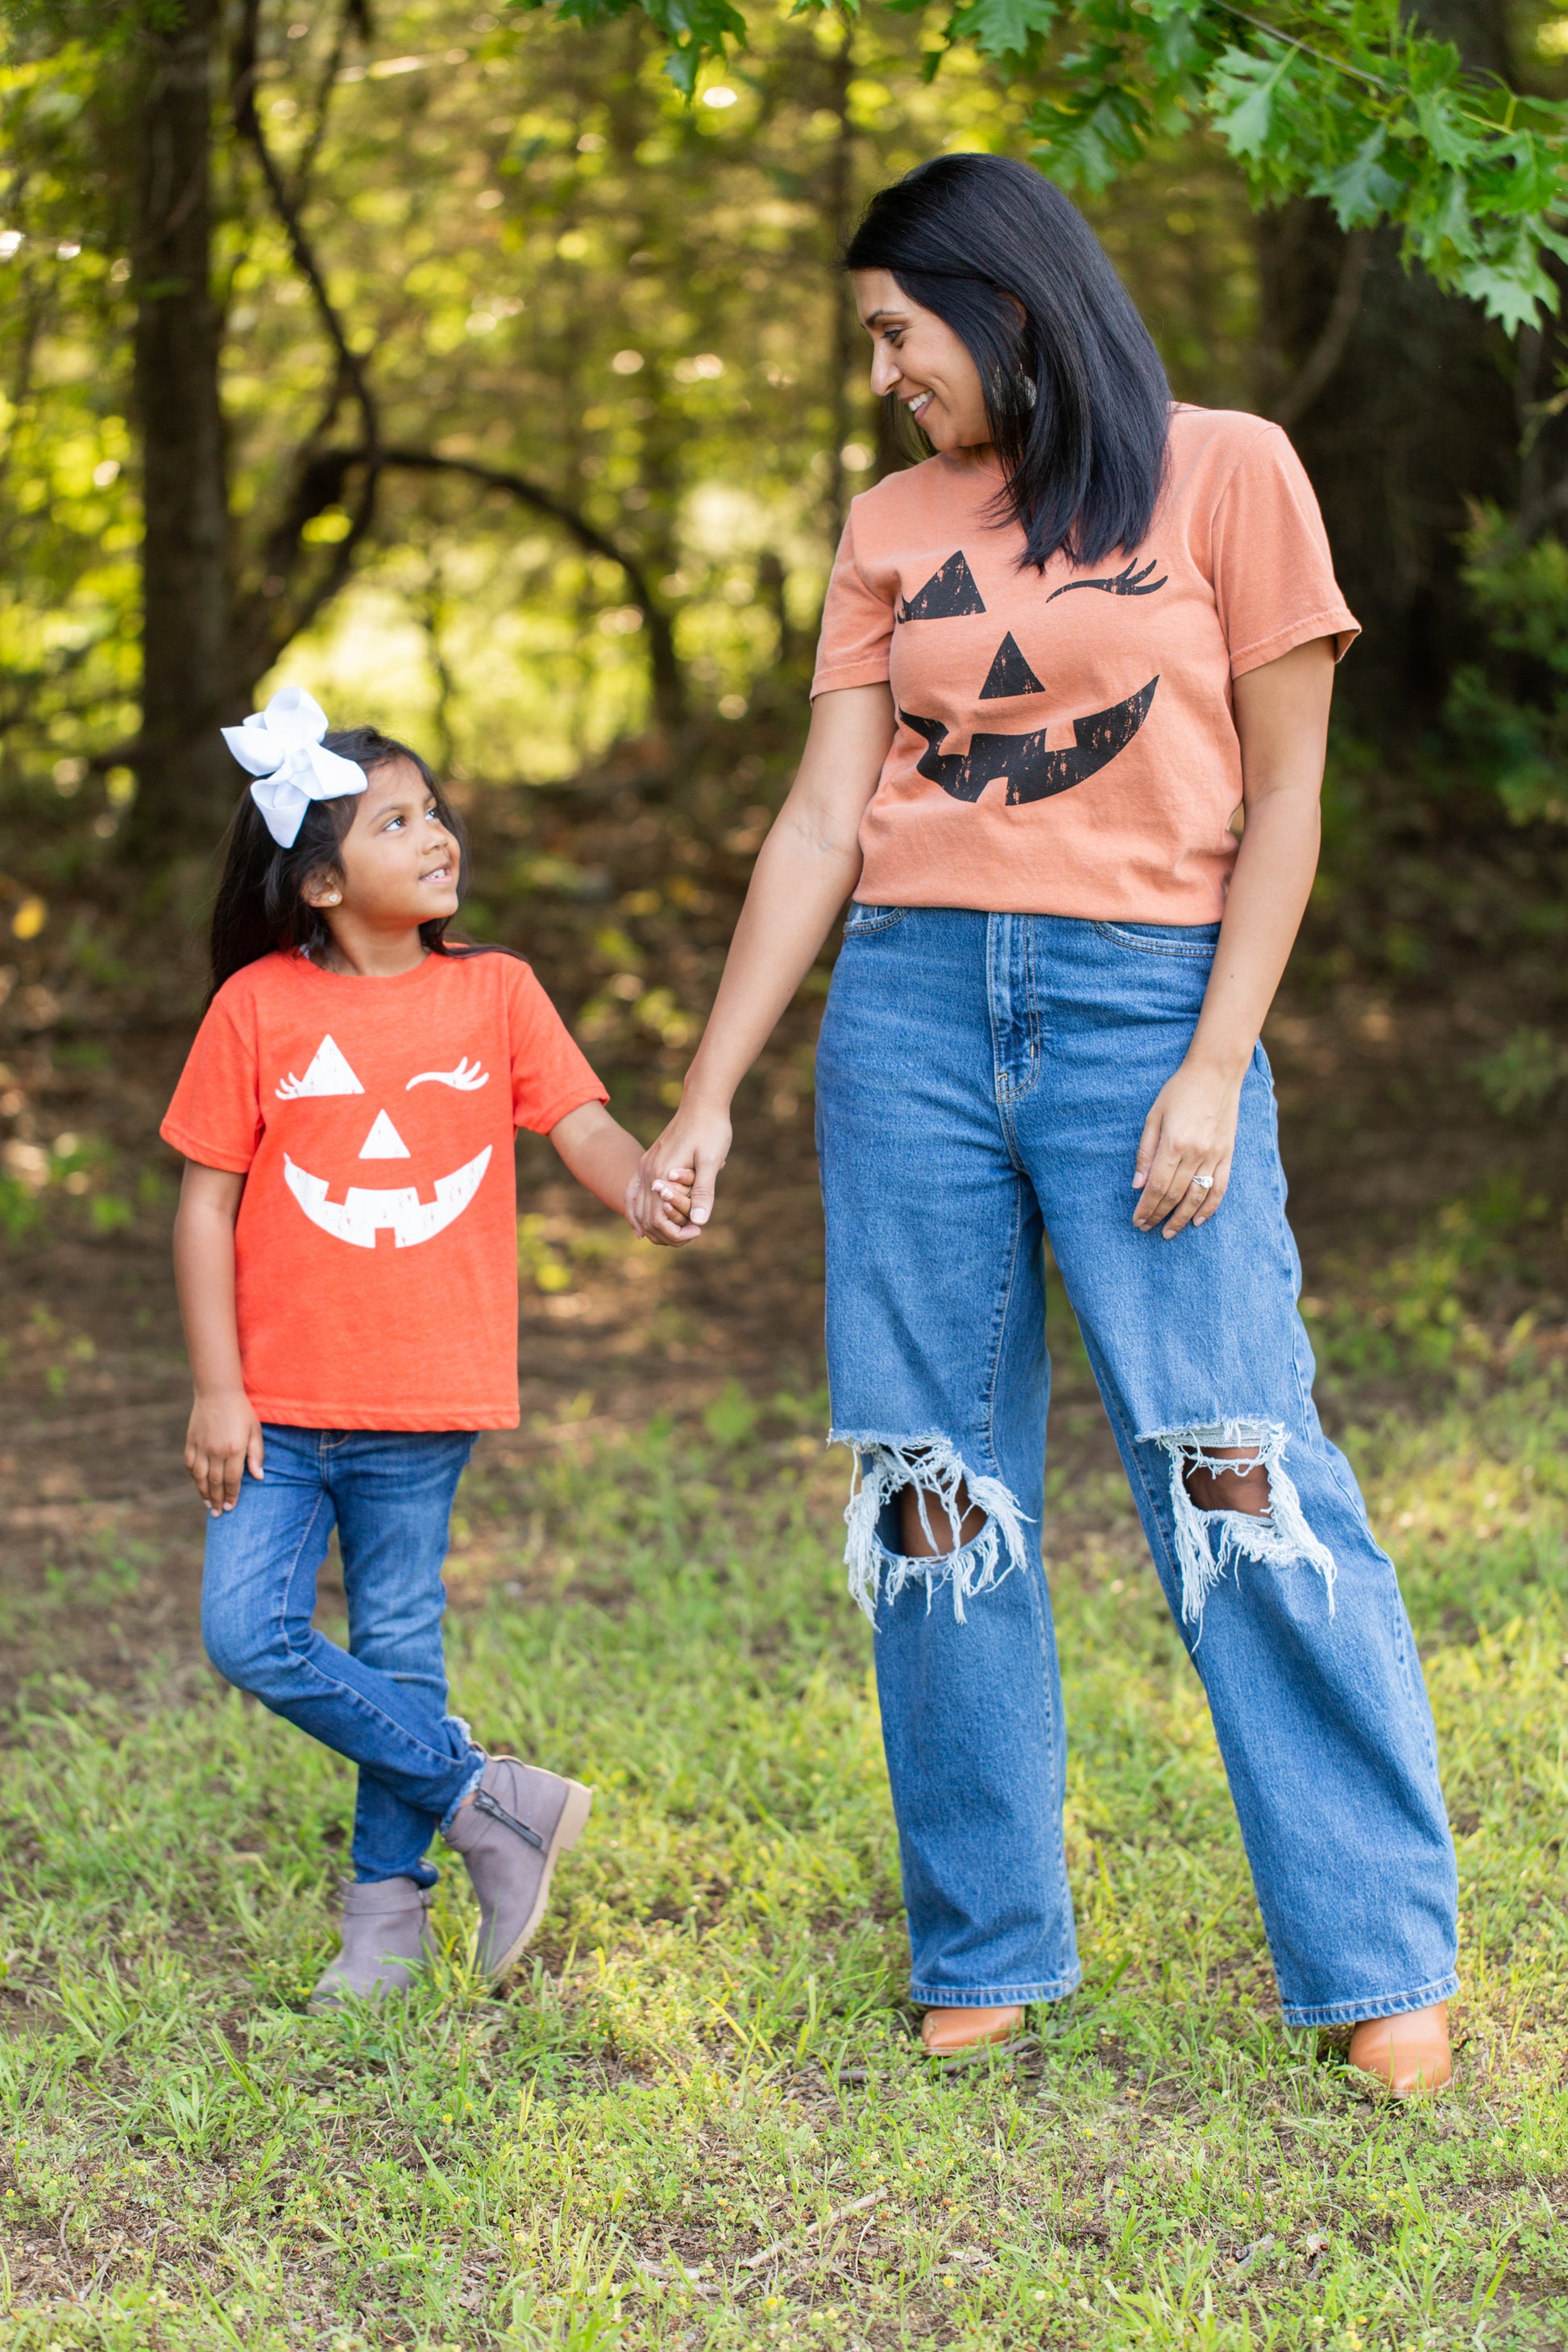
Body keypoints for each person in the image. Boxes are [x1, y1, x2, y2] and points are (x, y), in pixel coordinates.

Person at [631, 155, 1458, 2095]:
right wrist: (710, 1087)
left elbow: (1286, 801)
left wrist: (1212, 1062)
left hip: (1147, 1004)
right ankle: (986, 1938)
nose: (881, 376)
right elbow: (822, 820)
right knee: (930, 1481)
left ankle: (1372, 1953)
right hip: (907, 1010)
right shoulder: (887, 524)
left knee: (1236, 1460)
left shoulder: (1227, 470)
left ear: (999, 304)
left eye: (895, 334)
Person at [163, 687, 692, 2010]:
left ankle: (385, 1922)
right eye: (395, 822)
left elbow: (578, 1123)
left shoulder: (494, 993)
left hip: (424, 1389)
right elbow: (205, 1206)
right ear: (321, 880)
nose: (437, 833)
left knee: (399, 1642)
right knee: (249, 1634)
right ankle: (488, 1799)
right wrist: (219, 1388)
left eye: (434, 810)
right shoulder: (256, 1010)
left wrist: (640, 1188)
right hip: (277, 1404)